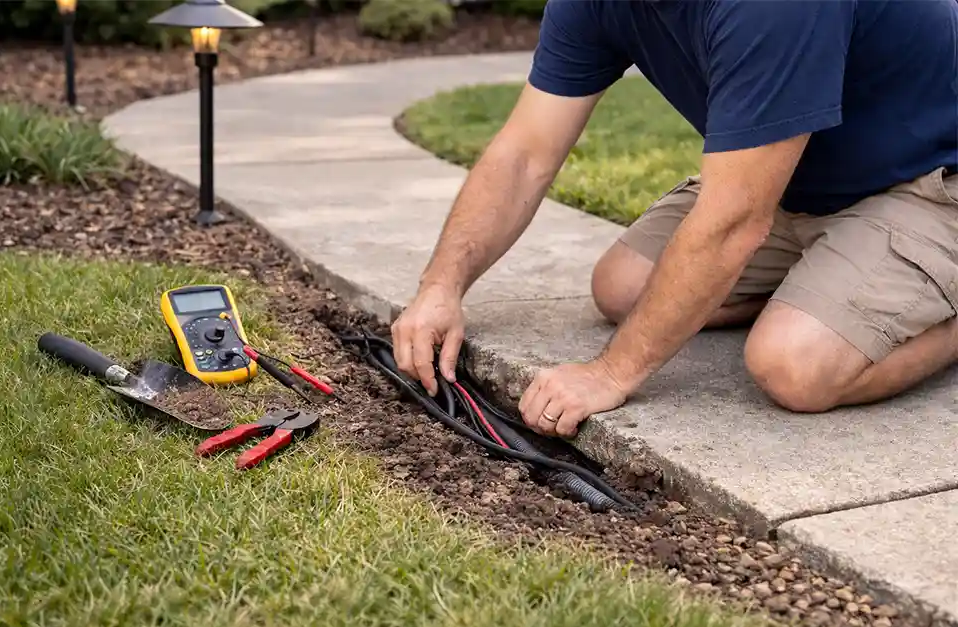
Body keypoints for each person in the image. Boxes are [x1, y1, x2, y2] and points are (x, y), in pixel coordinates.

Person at [390, 0, 958, 439]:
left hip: (928, 181)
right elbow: (524, 154)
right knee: (621, 288)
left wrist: (611, 374)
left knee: (794, 366)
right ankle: (842, 287)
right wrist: (441, 286)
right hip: (793, 182)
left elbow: (734, 220)